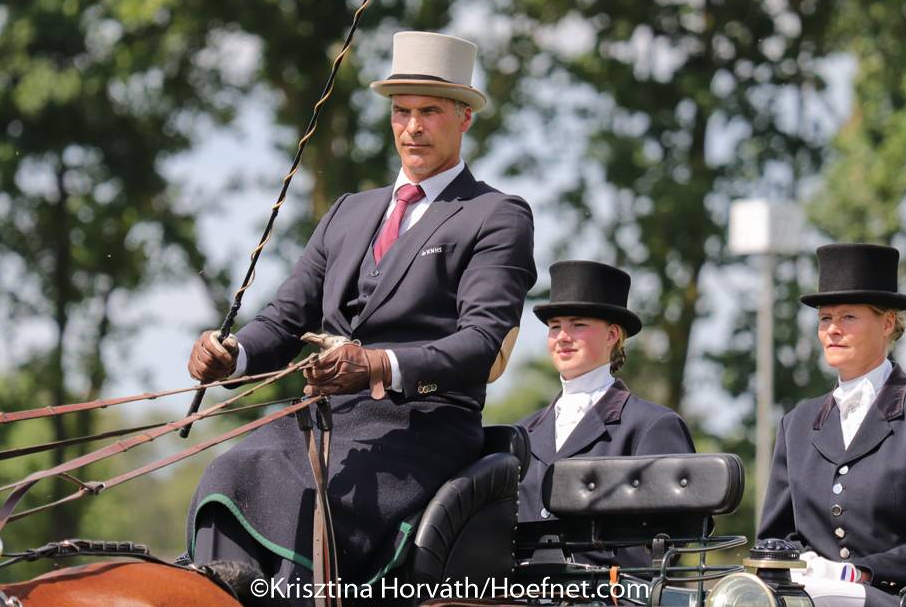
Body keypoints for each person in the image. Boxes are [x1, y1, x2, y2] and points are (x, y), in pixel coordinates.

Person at [184, 31, 537, 592]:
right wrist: (233, 354)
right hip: (324, 420)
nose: (412, 127)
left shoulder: (495, 215)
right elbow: (284, 318)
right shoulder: (348, 212)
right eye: (401, 112)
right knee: (230, 473)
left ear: (465, 117)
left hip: (423, 427)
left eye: (430, 112)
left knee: (308, 498)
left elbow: (480, 342)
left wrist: (376, 365)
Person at [759, 243, 906, 607]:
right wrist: (801, 565)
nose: (833, 330)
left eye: (848, 317)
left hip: (897, 598)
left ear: (888, 323)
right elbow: (776, 538)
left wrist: (859, 572)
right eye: (824, 319)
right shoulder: (795, 424)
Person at [517, 260, 695, 566]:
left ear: (612, 335)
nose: (562, 337)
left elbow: (666, 542)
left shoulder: (651, 426)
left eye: (578, 325)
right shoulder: (522, 432)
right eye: (555, 326)